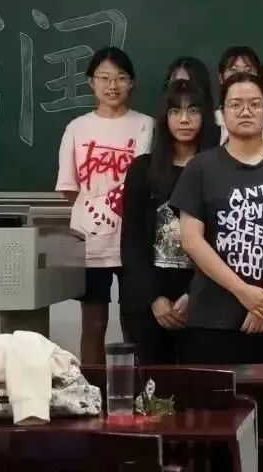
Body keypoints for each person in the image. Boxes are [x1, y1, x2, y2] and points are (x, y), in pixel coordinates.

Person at [171, 73, 263, 365]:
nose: (246, 111)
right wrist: (243, 292)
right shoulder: (200, 167)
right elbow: (191, 240)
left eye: (255, 104)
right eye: (236, 105)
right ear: (222, 113)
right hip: (213, 317)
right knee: (217, 395)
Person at [55, 46, 155, 365]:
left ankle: (138, 389)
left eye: (121, 78)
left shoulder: (146, 126)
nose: (112, 86)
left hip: (134, 242)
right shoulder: (77, 128)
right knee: (93, 325)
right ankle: (91, 389)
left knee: (135, 324)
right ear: (91, 82)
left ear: (131, 83)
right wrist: (98, 213)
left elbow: (148, 185)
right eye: (104, 78)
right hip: (90, 242)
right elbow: (70, 188)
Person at [121, 80, 212, 364]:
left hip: (204, 298)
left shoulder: (217, 169)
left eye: (193, 110)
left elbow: (224, 241)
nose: (184, 119)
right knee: (151, 385)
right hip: (149, 302)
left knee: (200, 386)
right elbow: (131, 243)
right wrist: (155, 299)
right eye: (175, 111)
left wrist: (193, 296)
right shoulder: (143, 169)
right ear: (164, 118)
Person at [164, 56, 220, 149]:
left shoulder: (222, 139)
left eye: (193, 111)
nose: (182, 87)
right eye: (176, 82)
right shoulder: (156, 134)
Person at [215, 46, 261, 144]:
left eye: (248, 70)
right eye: (233, 70)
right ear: (221, 78)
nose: (241, 75)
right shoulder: (211, 121)